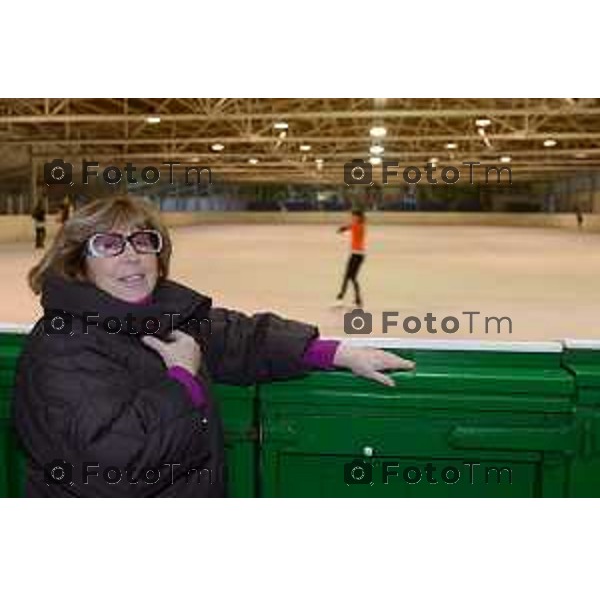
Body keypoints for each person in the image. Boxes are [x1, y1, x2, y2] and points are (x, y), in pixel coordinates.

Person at [13, 195, 414, 498]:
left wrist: (332, 353)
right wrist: (181, 382)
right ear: (77, 262)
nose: (132, 256)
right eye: (109, 244)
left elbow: (235, 337)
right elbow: (112, 460)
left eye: (143, 241)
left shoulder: (157, 316)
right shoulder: (62, 346)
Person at [336, 208, 366, 307]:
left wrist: (342, 229)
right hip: (357, 254)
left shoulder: (358, 226)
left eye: (353, 216)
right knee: (352, 277)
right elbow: (348, 227)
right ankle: (357, 300)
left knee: (348, 276)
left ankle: (340, 298)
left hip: (357, 255)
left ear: (358, 217)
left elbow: (348, 227)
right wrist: (343, 229)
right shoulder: (358, 225)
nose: (352, 217)